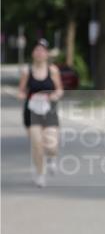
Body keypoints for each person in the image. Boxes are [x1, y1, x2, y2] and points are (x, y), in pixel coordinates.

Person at [17, 39, 64, 187]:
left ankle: (51, 157)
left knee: (51, 145)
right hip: (32, 111)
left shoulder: (53, 70)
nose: (39, 53)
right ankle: (40, 174)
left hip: (49, 109)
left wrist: (55, 95)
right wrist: (22, 96)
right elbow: (21, 91)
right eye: (37, 50)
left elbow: (59, 89)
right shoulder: (27, 72)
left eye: (42, 50)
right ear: (33, 53)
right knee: (37, 144)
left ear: (47, 54)